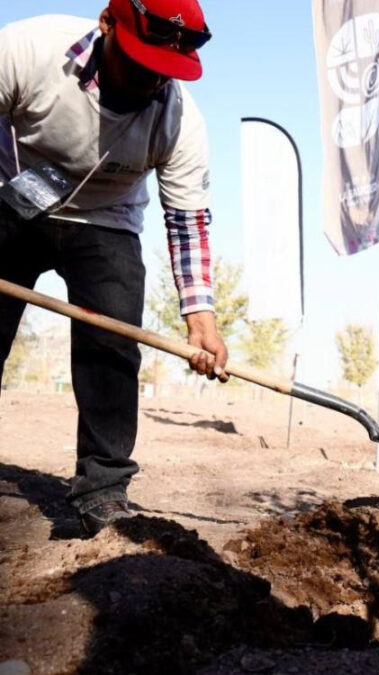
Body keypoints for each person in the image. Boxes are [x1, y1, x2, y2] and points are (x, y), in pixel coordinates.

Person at [0, 0, 228, 537]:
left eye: (166, 71)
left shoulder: (181, 121)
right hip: (9, 196)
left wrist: (201, 318)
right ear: (107, 24)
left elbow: (187, 221)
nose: (153, 81)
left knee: (113, 347)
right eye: (142, 63)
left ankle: (102, 488)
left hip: (106, 220)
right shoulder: (27, 50)